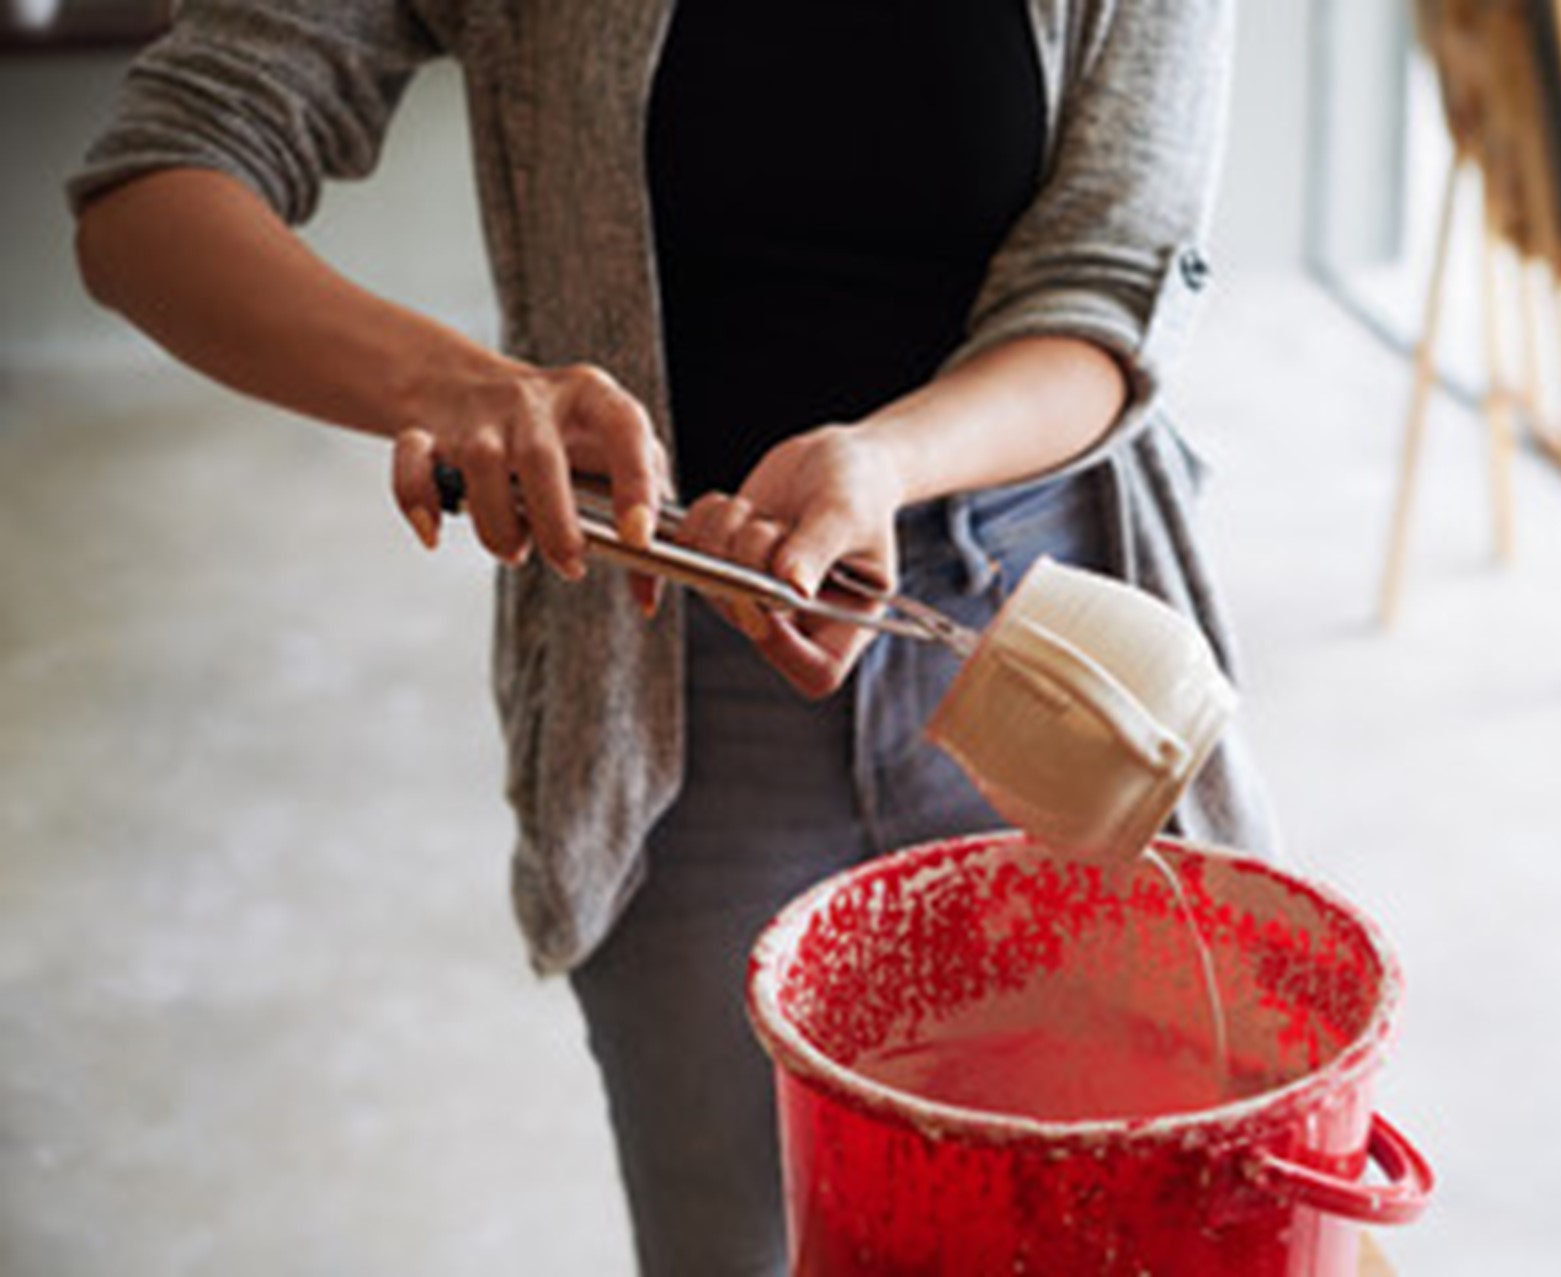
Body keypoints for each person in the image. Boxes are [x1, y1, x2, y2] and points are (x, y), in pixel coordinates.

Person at [71, 1, 1276, 1273]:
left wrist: (883, 461)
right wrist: (456, 387)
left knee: (1124, 1228)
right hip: (667, 682)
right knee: (739, 1240)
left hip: (1052, 633)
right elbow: (153, 188)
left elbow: (1113, 269)